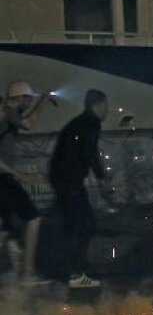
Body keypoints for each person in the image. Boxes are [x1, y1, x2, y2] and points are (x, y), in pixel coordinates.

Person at [48, 90, 110, 289]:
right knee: (84, 224)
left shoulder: (78, 122)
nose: (107, 111)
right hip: (69, 181)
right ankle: (75, 273)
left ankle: (72, 270)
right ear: (98, 105)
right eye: (105, 106)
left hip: (64, 179)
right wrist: (102, 178)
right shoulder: (91, 123)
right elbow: (89, 152)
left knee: (75, 225)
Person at [0, 82, 54, 284]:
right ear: (21, 98)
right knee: (33, 218)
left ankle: (23, 272)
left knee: (6, 230)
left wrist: (39, 102)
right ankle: (27, 273)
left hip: (4, 178)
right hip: (3, 178)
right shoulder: (8, 111)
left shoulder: (7, 113)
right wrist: (42, 103)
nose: (28, 103)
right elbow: (29, 124)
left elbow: (26, 120)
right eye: (28, 99)